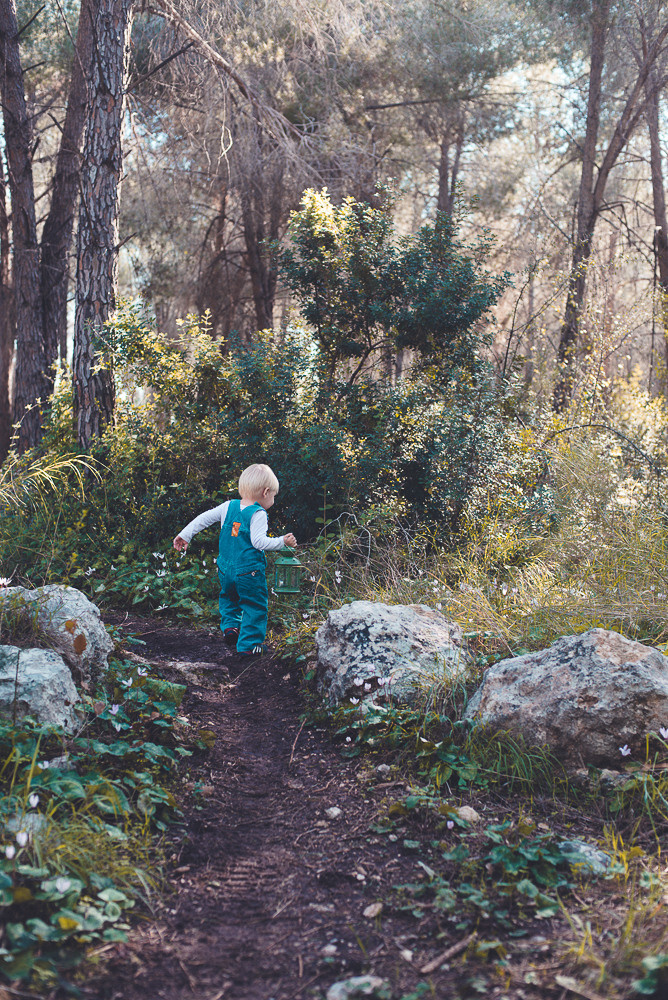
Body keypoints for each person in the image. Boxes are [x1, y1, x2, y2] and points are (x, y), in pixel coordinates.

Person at [173, 464, 297, 656]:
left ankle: (231, 628)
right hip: (249, 572)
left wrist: (185, 535)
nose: (273, 499)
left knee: (229, 598)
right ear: (265, 492)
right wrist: (283, 542)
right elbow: (259, 542)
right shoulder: (258, 513)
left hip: (225, 569)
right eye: (273, 495)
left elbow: (204, 518)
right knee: (254, 605)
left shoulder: (228, 506)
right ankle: (249, 646)